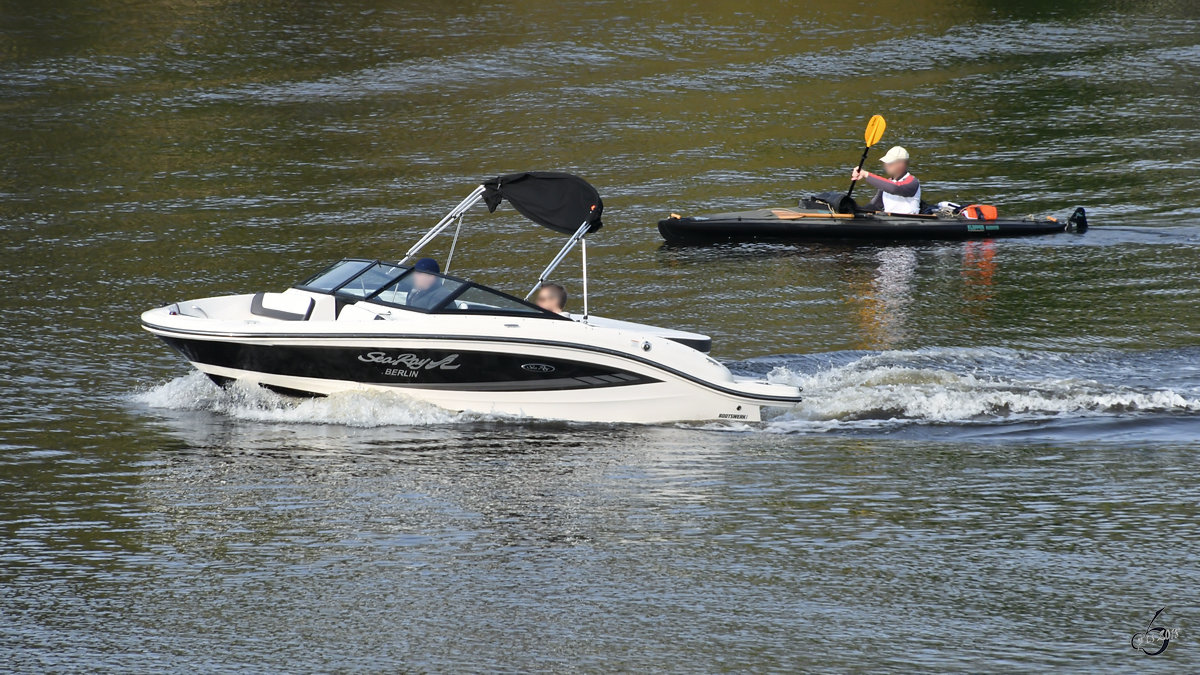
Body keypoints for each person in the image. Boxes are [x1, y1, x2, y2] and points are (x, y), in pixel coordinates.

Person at [850, 145, 921, 214]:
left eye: (890, 162)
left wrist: (866, 174)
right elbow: (873, 207)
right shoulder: (887, 185)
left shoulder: (912, 182)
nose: (886, 165)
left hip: (909, 223)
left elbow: (895, 188)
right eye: (885, 162)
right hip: (890, 222)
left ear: (901, 164)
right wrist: (852, 208)